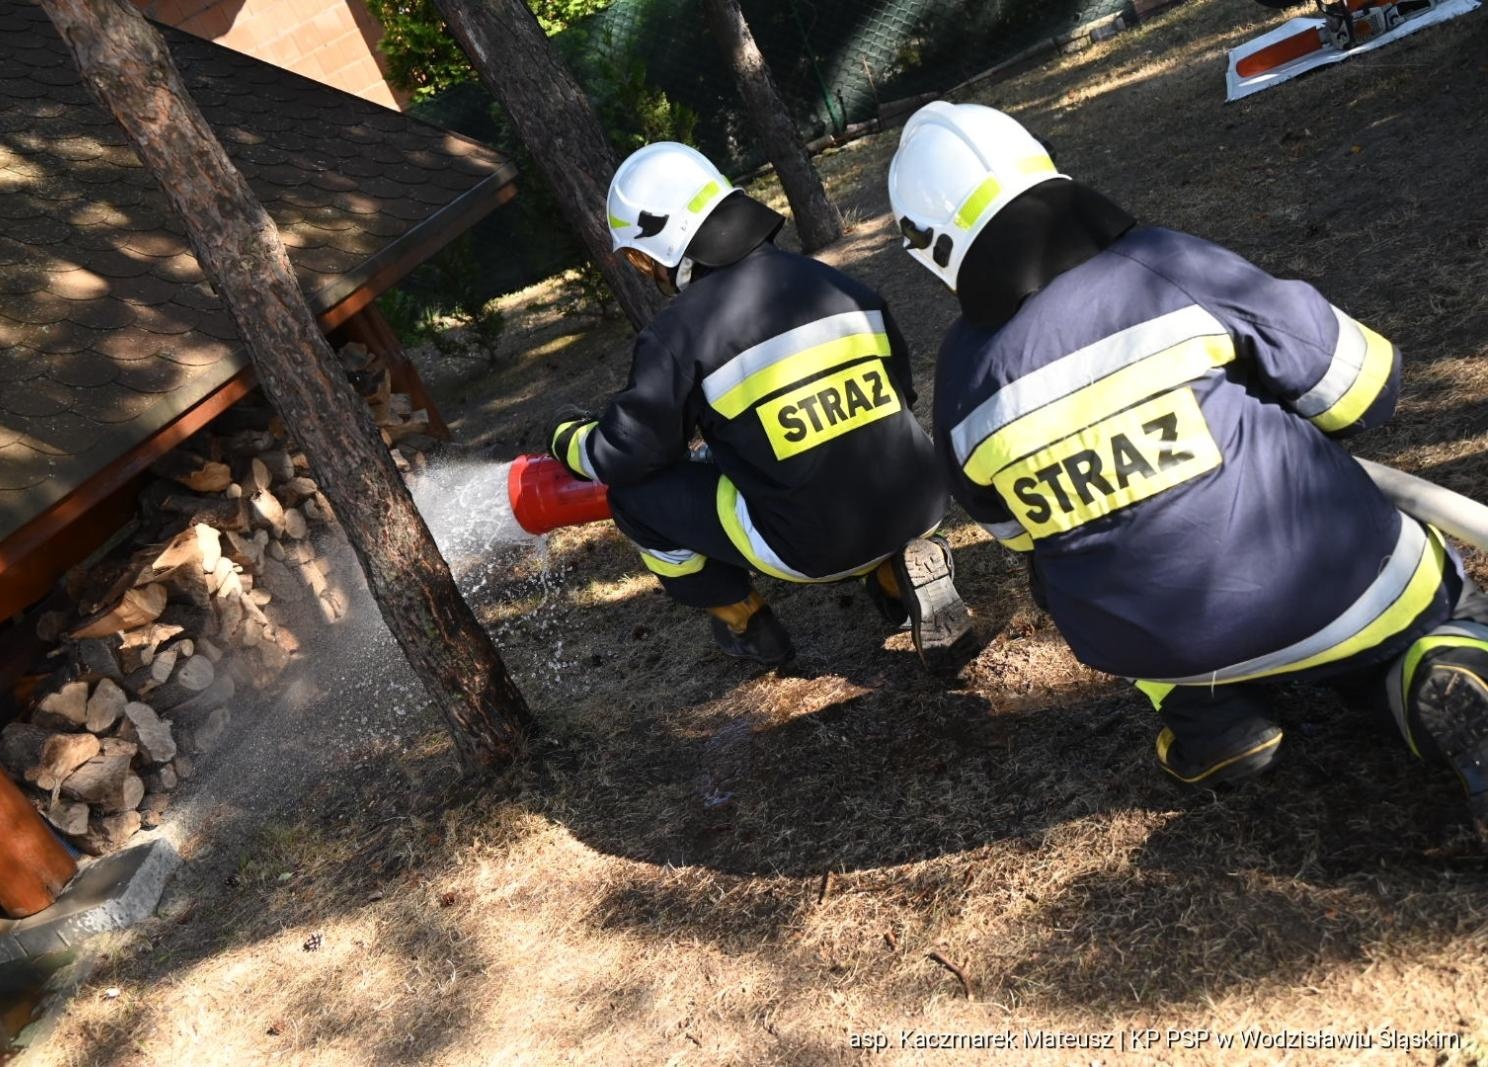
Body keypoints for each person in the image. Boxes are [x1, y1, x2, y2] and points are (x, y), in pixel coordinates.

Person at [888, 102, 1488, 827]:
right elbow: (1363, 389)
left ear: (926, 247)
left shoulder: (959, 379)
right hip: (1338, 588)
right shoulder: (1164, 265)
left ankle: (1214, 719)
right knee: (1413, 614)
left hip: (1151, 641)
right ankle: (1433, 658)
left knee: (1067, 574)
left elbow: (1020, 535)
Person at [548, 141, 972, 669]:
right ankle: (893, 576)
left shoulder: (679, 332)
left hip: (813, 547)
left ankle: (745, 620)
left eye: (638, 261)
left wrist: (564, 439)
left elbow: (625, 453)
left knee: (634, 498)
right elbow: (899, 394)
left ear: (649, 252)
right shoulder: (840, 284)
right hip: (921, 499)